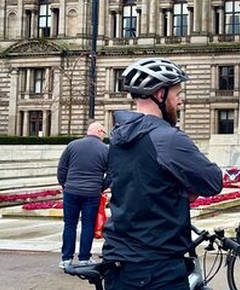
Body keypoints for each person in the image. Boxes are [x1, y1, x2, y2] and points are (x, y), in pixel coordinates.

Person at [101, 57, 223, 290]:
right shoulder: (167, 138)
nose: (180, 101)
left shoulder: (118, 137)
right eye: (176, 94)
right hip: (157, 268)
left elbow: (143, 185)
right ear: (160, 94)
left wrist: (173, 188)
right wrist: (185, 189)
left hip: (121, 262)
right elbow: (213, 181)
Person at [56, 121, 109, 269]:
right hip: (92, 192)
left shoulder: (72, 145)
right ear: (99, 131)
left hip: (71, 191)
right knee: (88, 225)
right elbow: (112, 173)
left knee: (69, 224)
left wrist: (65, 185)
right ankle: (84, 258)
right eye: (104, 133)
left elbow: (62, 168)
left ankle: (66, 259)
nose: (104, 136)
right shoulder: (105, 149)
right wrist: (101, 187)